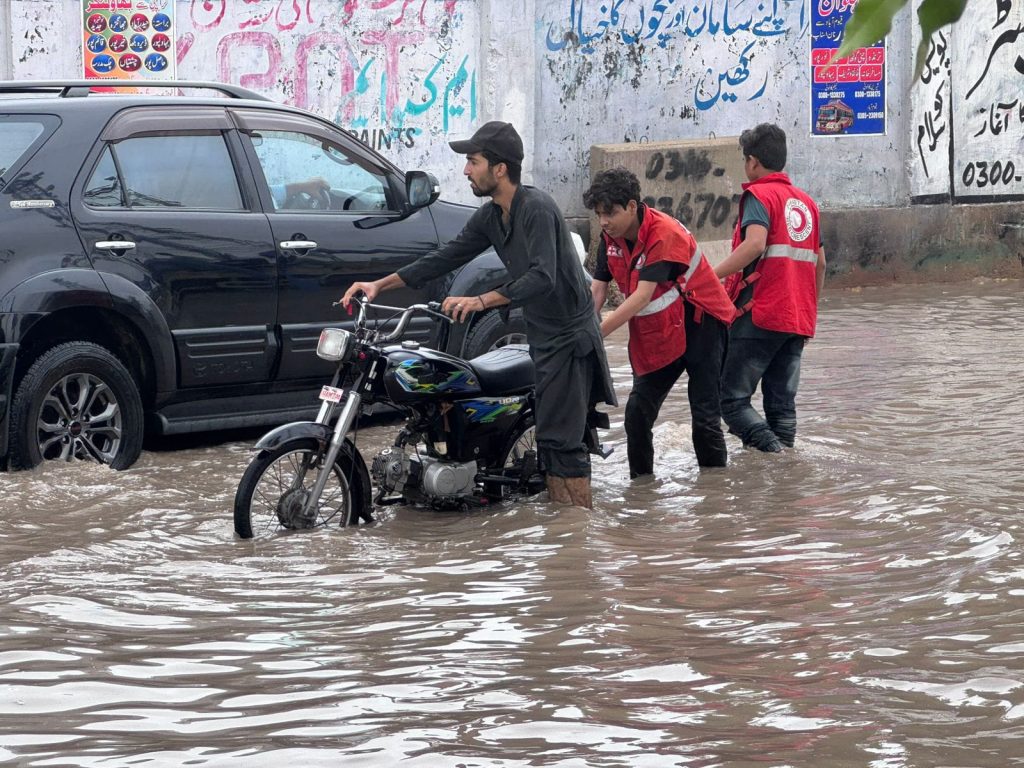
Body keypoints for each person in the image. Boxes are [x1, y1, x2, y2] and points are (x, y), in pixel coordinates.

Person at [340, 121, 616, 509]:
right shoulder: (491, 216)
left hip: (570, 339)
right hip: (539, 337)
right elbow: (445, 256)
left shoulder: (537, 208)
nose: (466, 170)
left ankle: (577, 537)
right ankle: (561, 534)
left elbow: (543, 276)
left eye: (473, 161)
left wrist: (481, 300)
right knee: (551, 443)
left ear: (499, 168)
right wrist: (379, 285)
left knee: (563, 445)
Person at [585, 167, 735, 478]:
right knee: (637, 415)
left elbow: (641, 297)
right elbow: (598, 289)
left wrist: (595, 335)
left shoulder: (664, 234)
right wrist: (582, 326)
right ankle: (641, 492)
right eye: (598, 213)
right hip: (662, 330)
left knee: (705, 418)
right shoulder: (609, 237)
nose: (603, 221)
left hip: (702, 324)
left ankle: (716, 500)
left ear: (631, 206)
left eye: (610, 212)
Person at [714, 123, 826, 452]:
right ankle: (785, 480)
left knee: (731, 402)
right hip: (798, 319)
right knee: (782, 407)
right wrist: (809, 309)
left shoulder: (758, 196)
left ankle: (774, 456)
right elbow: (820, 263)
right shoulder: (807, 203)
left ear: (752, 161)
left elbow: (753, 246)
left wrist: (708, 276)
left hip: (758, 316)